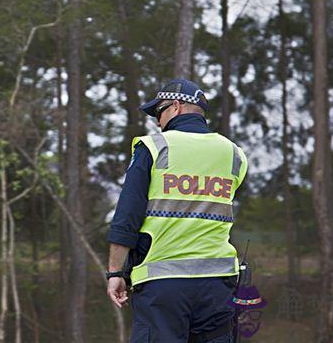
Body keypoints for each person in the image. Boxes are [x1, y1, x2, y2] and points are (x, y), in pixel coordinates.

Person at [106, 78, 248, 343]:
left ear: (177, 106)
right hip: (218, 283)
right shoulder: (234, 154)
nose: (157, 121)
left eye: (159, 112)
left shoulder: (153, 147)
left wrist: (115, 272)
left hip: (163, 283)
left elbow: (127, 216)